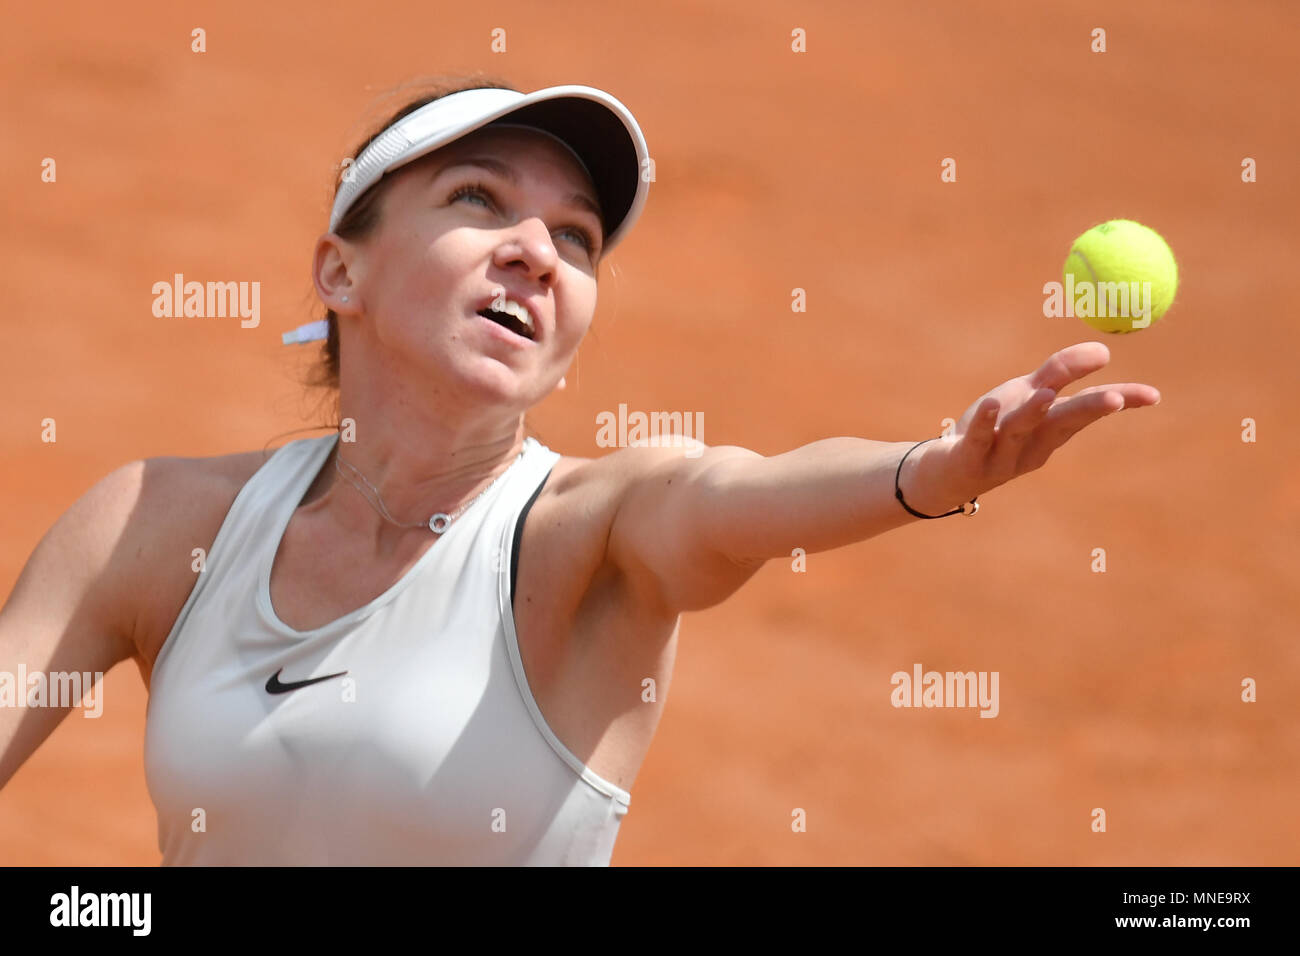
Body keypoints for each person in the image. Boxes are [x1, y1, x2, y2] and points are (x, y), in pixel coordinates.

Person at [0, 76, 1161, 866]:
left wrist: (928, 469)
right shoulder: (154, 522)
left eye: (577, 238)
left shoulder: (587, 532)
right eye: (479, 200)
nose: (536, 253)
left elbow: (733, 497)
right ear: (338, 272)